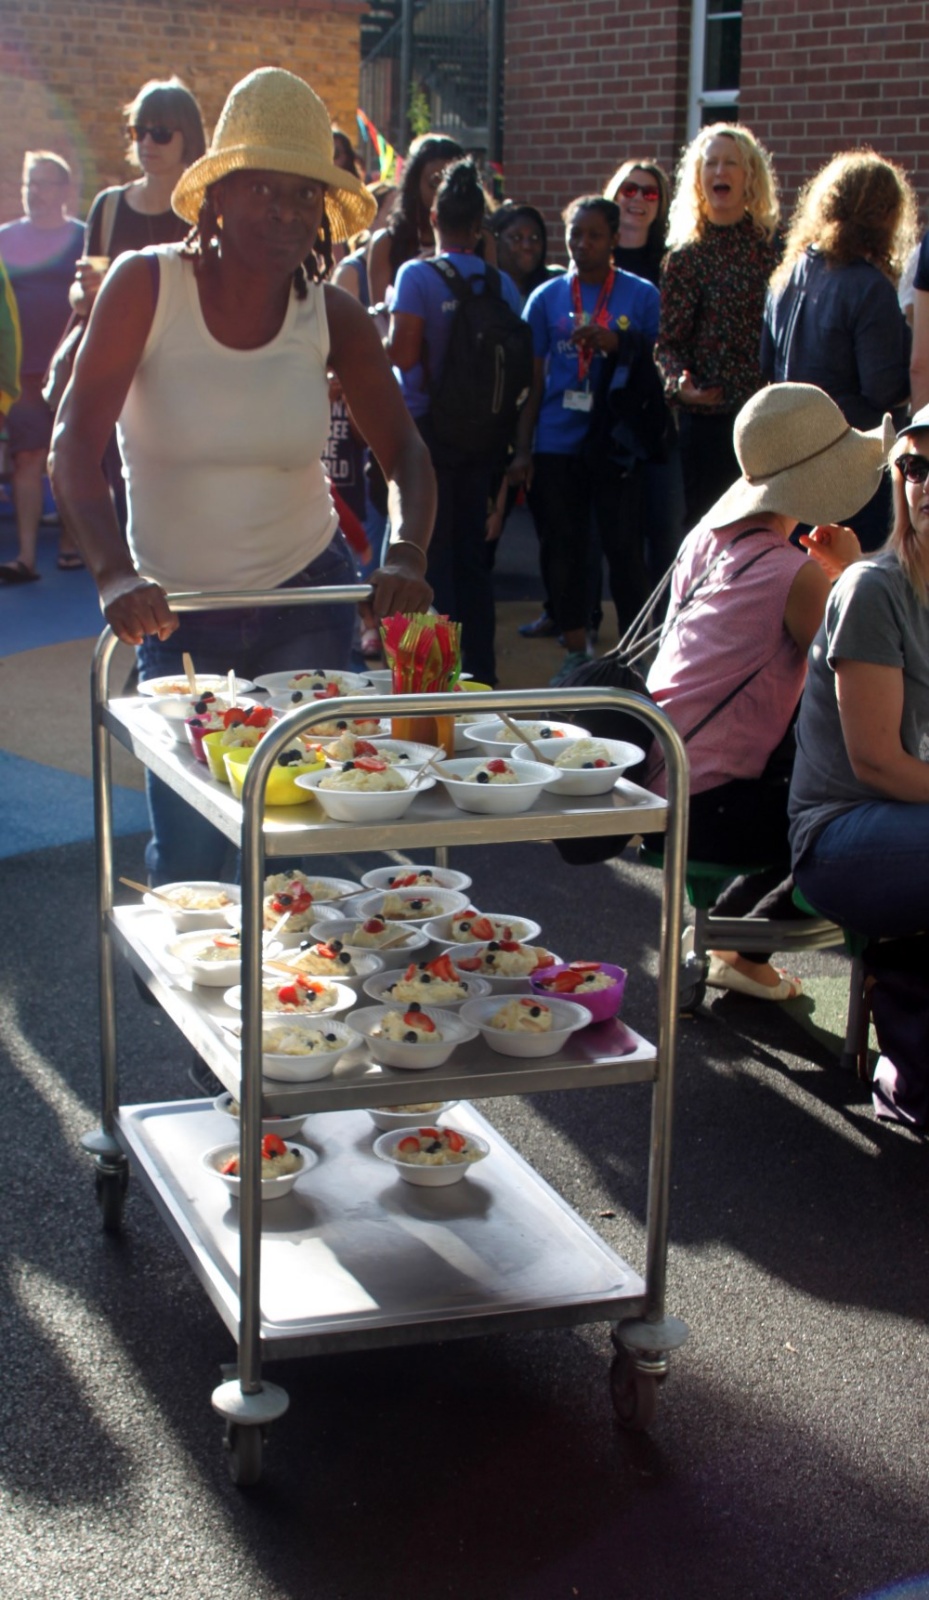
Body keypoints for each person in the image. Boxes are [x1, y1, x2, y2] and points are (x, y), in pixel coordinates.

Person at [50, 67, 436, 885]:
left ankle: (303, 975)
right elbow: (73, 444)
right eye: (264, 188)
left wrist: (404, 552)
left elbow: (404, 450)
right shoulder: (146, 286)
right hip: (176, 617)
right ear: (217, 194)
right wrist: (114, 574)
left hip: (307, 601)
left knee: (295, 845)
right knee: (193, 855)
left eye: (305, 194)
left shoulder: (330, 314)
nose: (287, 211)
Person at [641, 382, 891, 999]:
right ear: (815, 483)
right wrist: (852, 571)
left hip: (660, 776)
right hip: (711, 806)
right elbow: (865, 677)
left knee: (808, 793)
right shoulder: (794, 574)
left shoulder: (707, 537)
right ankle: (741, 943)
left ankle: (732, 939)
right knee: (849, 820)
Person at [788, 407, 929, 1117]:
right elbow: (876, 765)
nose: (925, 484)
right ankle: (910, 1066)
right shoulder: (872, 588)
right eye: (915, 467)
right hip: (842, 834)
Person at [509, 195, 661, 685]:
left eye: (595, 235)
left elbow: (660, 367)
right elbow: (532, 381)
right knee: (563, 549)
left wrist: (619, 344)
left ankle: (636, 653)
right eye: (576, 233)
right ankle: (576, 650)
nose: (583, 243)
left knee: (623, 550)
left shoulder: (641, 295)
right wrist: (524, 449)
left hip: (615, 444)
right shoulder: (545, 298)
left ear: (614, 239)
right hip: (556, 443)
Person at [386, 157, 522, 685]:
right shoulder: (502, 285)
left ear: (433, 217)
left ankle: (430, 681)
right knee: (473, 564)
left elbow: (402, 354)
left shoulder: (416, 276)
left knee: (427, 558)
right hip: (483, 442)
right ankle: (480, 677)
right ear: (479, 225)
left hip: (427, 434)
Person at [68, 77, 207, 539]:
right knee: (127, 492)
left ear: (188, 138)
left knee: (185, 493)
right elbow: (80, 298)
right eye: (138, 131)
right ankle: (134, 577)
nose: (147, 143)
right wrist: (91, 291)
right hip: (119, 372)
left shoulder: (207, 210)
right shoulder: (109, 206)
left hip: (187, 369)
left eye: (161, 133)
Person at [762, 150, 915, 552]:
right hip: (852, 472)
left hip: (793, 465)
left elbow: (767, 367)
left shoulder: (787, 275)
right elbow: (883, 388)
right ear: (885, 215)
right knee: (852, 579)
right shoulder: (868, 287)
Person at [656, 123, 781, 528]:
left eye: (730, 163)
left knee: (761, 528)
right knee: (709, 530)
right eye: (710, 163)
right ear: (698, 176)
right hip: (708, 419)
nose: (719, 171)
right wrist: (679, 385)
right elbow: (668, 344)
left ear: (749, 176)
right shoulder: (685, 256)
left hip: (762, 416)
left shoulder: (773, 248)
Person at [0, 151, 83, 582]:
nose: (36, 192)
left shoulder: (83, 238)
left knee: (73, 456)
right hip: (23, 370)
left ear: (64, 190)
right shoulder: (5, 239)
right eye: (30, 183)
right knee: (27, 457)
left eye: (45, 183)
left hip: (76, 366)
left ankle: (71, 542)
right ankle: (26, 556)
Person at [367, 133, 464, 307]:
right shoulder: (386, 244)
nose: (443, 193)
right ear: (415, 184)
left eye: (451, 184)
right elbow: (381, 317)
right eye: (434, 183)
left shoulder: (481, 239)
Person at [604, 159, 671, 287]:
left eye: (650, 193)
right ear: (615, 197)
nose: (638, 198)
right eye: (629, 190)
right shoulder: (595, 255)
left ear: (660, 205)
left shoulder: (669, 263)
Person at [487, 202, 561, 307]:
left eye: (534, 238)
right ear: (495, 240)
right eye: (516, 238)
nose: (527, 246)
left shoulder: (555, 286)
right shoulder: (481, 286)